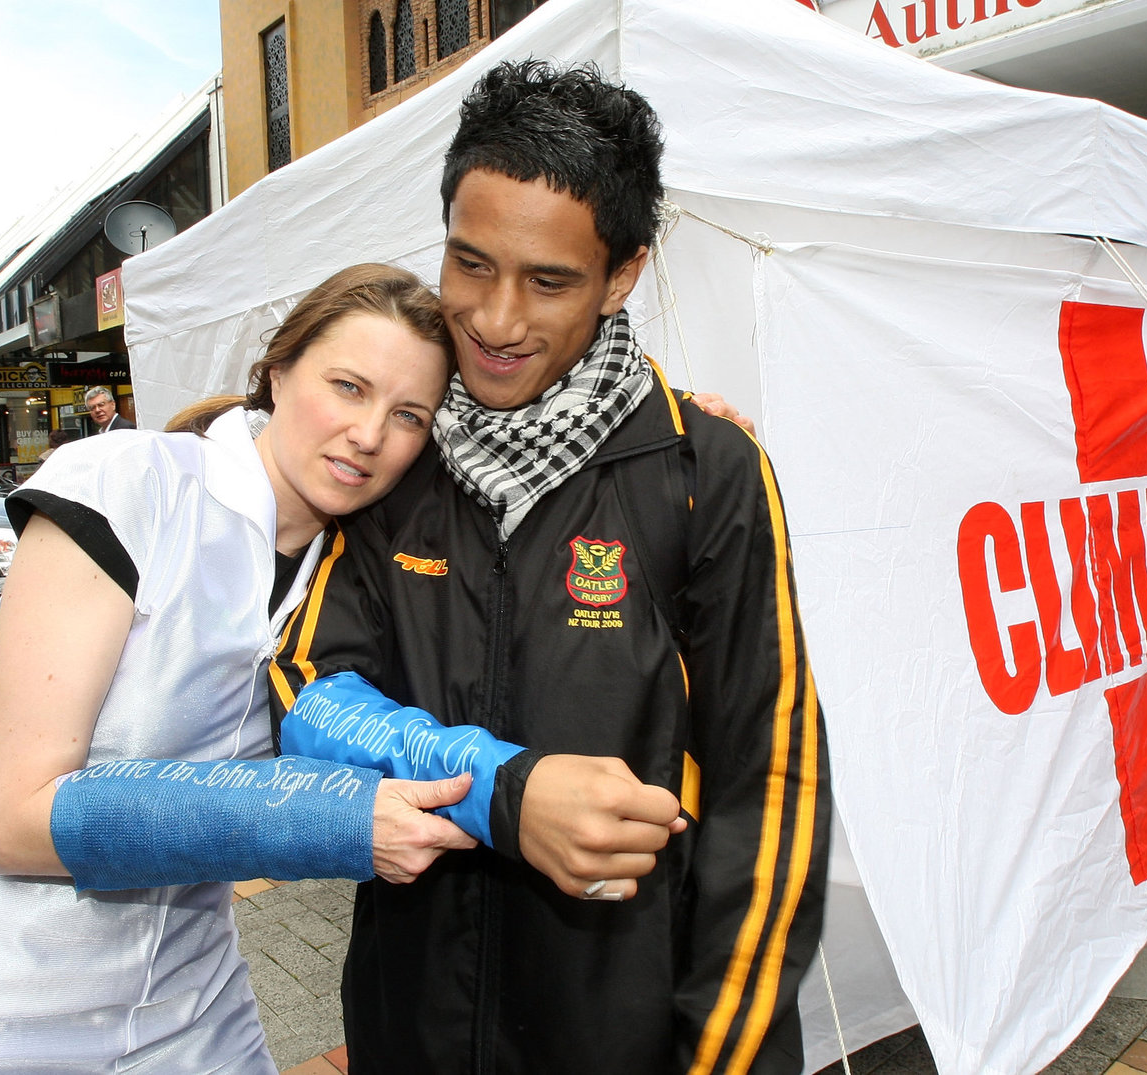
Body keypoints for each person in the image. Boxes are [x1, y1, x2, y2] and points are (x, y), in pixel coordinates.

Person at [272, 60, 831, 1074]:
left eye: (550, 280)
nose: (495, 318)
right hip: (414, 1031)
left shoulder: (705, 470)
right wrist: (502, 791)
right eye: (471, 263)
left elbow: (774, 787)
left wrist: (725, 1057)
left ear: (621, 275)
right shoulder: (400, 461)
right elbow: (306, 690)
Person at [0, 264, 497, 1074]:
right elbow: (14, 820)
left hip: (187, 1000)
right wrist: (330, 819)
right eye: (348, 387)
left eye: (408, 415)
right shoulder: (126, 484)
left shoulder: (362, 578)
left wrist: (679, 455)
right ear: (279, 371)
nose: (368, 433)